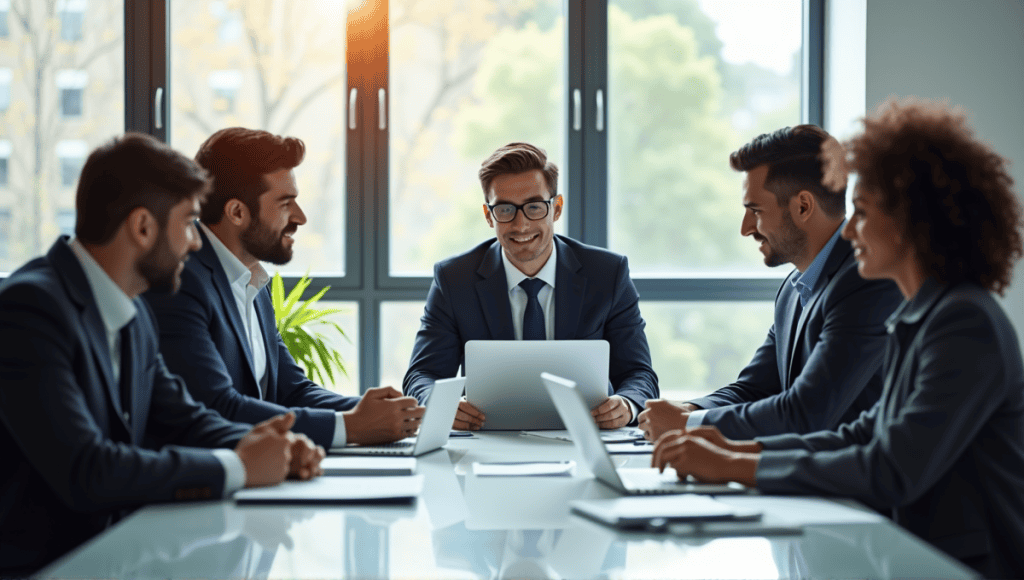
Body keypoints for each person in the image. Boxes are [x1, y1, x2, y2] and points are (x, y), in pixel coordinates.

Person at [651, 99, 1024, 577]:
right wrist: (728, 451)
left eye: (863, 213)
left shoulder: (964, 323)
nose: (849, 228)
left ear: (911, 223)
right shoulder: (924, 317)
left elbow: (890, 468)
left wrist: (731, 465)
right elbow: (862, 434)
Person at [0, 133, 324, 576]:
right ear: (143, 227)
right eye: (189, 222)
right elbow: (87, 468)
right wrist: (239, 466)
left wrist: (274, 448)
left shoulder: (134, 313)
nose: (195, 243)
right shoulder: (30, 310)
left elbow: (186, 417)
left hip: (121, 558)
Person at [144, 128, 425, 451]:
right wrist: (351, 426)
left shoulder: (252, 280)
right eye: (285, 203)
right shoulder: (182, 280)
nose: (301, 217)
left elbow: (291, 390)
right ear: (236, 212)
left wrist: (382, 413)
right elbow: (216, 406)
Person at [638, 125, 902, 441]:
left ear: (803, 207)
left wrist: (689, 425)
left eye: (755, 210)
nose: (746, 228)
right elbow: (756, 388)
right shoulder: (794, 288)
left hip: (849, 483)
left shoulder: (868, 282)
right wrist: (687, 409)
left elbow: (808, 411)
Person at [402, 142, 658, 430]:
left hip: (585, 438)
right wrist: (441, 404)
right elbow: (422, 375)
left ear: (556, 208)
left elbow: (639, 374)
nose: (521, 225)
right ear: (489, 216)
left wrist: (626, 405)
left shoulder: (607, 274)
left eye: (534, 207)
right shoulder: (454, 279)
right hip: (487, 440)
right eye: (505, 209)